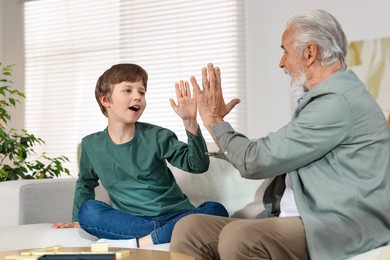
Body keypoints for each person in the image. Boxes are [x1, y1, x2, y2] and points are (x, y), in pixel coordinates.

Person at [170, 9, 390, 260]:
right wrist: (221, 128)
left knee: (240, 237)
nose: (281, 62)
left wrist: (214, 121)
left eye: (285, 50)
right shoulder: (326, 100)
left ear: (309, 53)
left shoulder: (338, 102)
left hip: (339, 224)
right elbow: (270, 150)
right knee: (191, 229)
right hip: (303, 217)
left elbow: (257, 160)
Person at [52, 63, 228, 248]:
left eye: (142, 92)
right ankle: (162, 235)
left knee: (216, 210)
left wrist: (190, 123)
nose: (137, 96)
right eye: (127, 90)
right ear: (105, 100)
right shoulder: (91, 144)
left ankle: (141, 241)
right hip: (132, 221)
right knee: (88, 211)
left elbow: (198, 165)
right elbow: (85, 183)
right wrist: (78, 219)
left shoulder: (158, 136)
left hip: (175, 215)